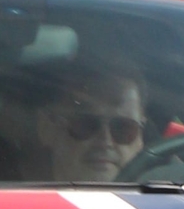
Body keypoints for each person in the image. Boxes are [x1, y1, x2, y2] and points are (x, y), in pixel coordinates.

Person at [8, 64, 149, 184]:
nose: (105, 141)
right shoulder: (8, 206)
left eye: (123, 128)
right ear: (46, 128)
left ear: (141, 138)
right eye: (86, 124)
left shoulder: (165, 203)